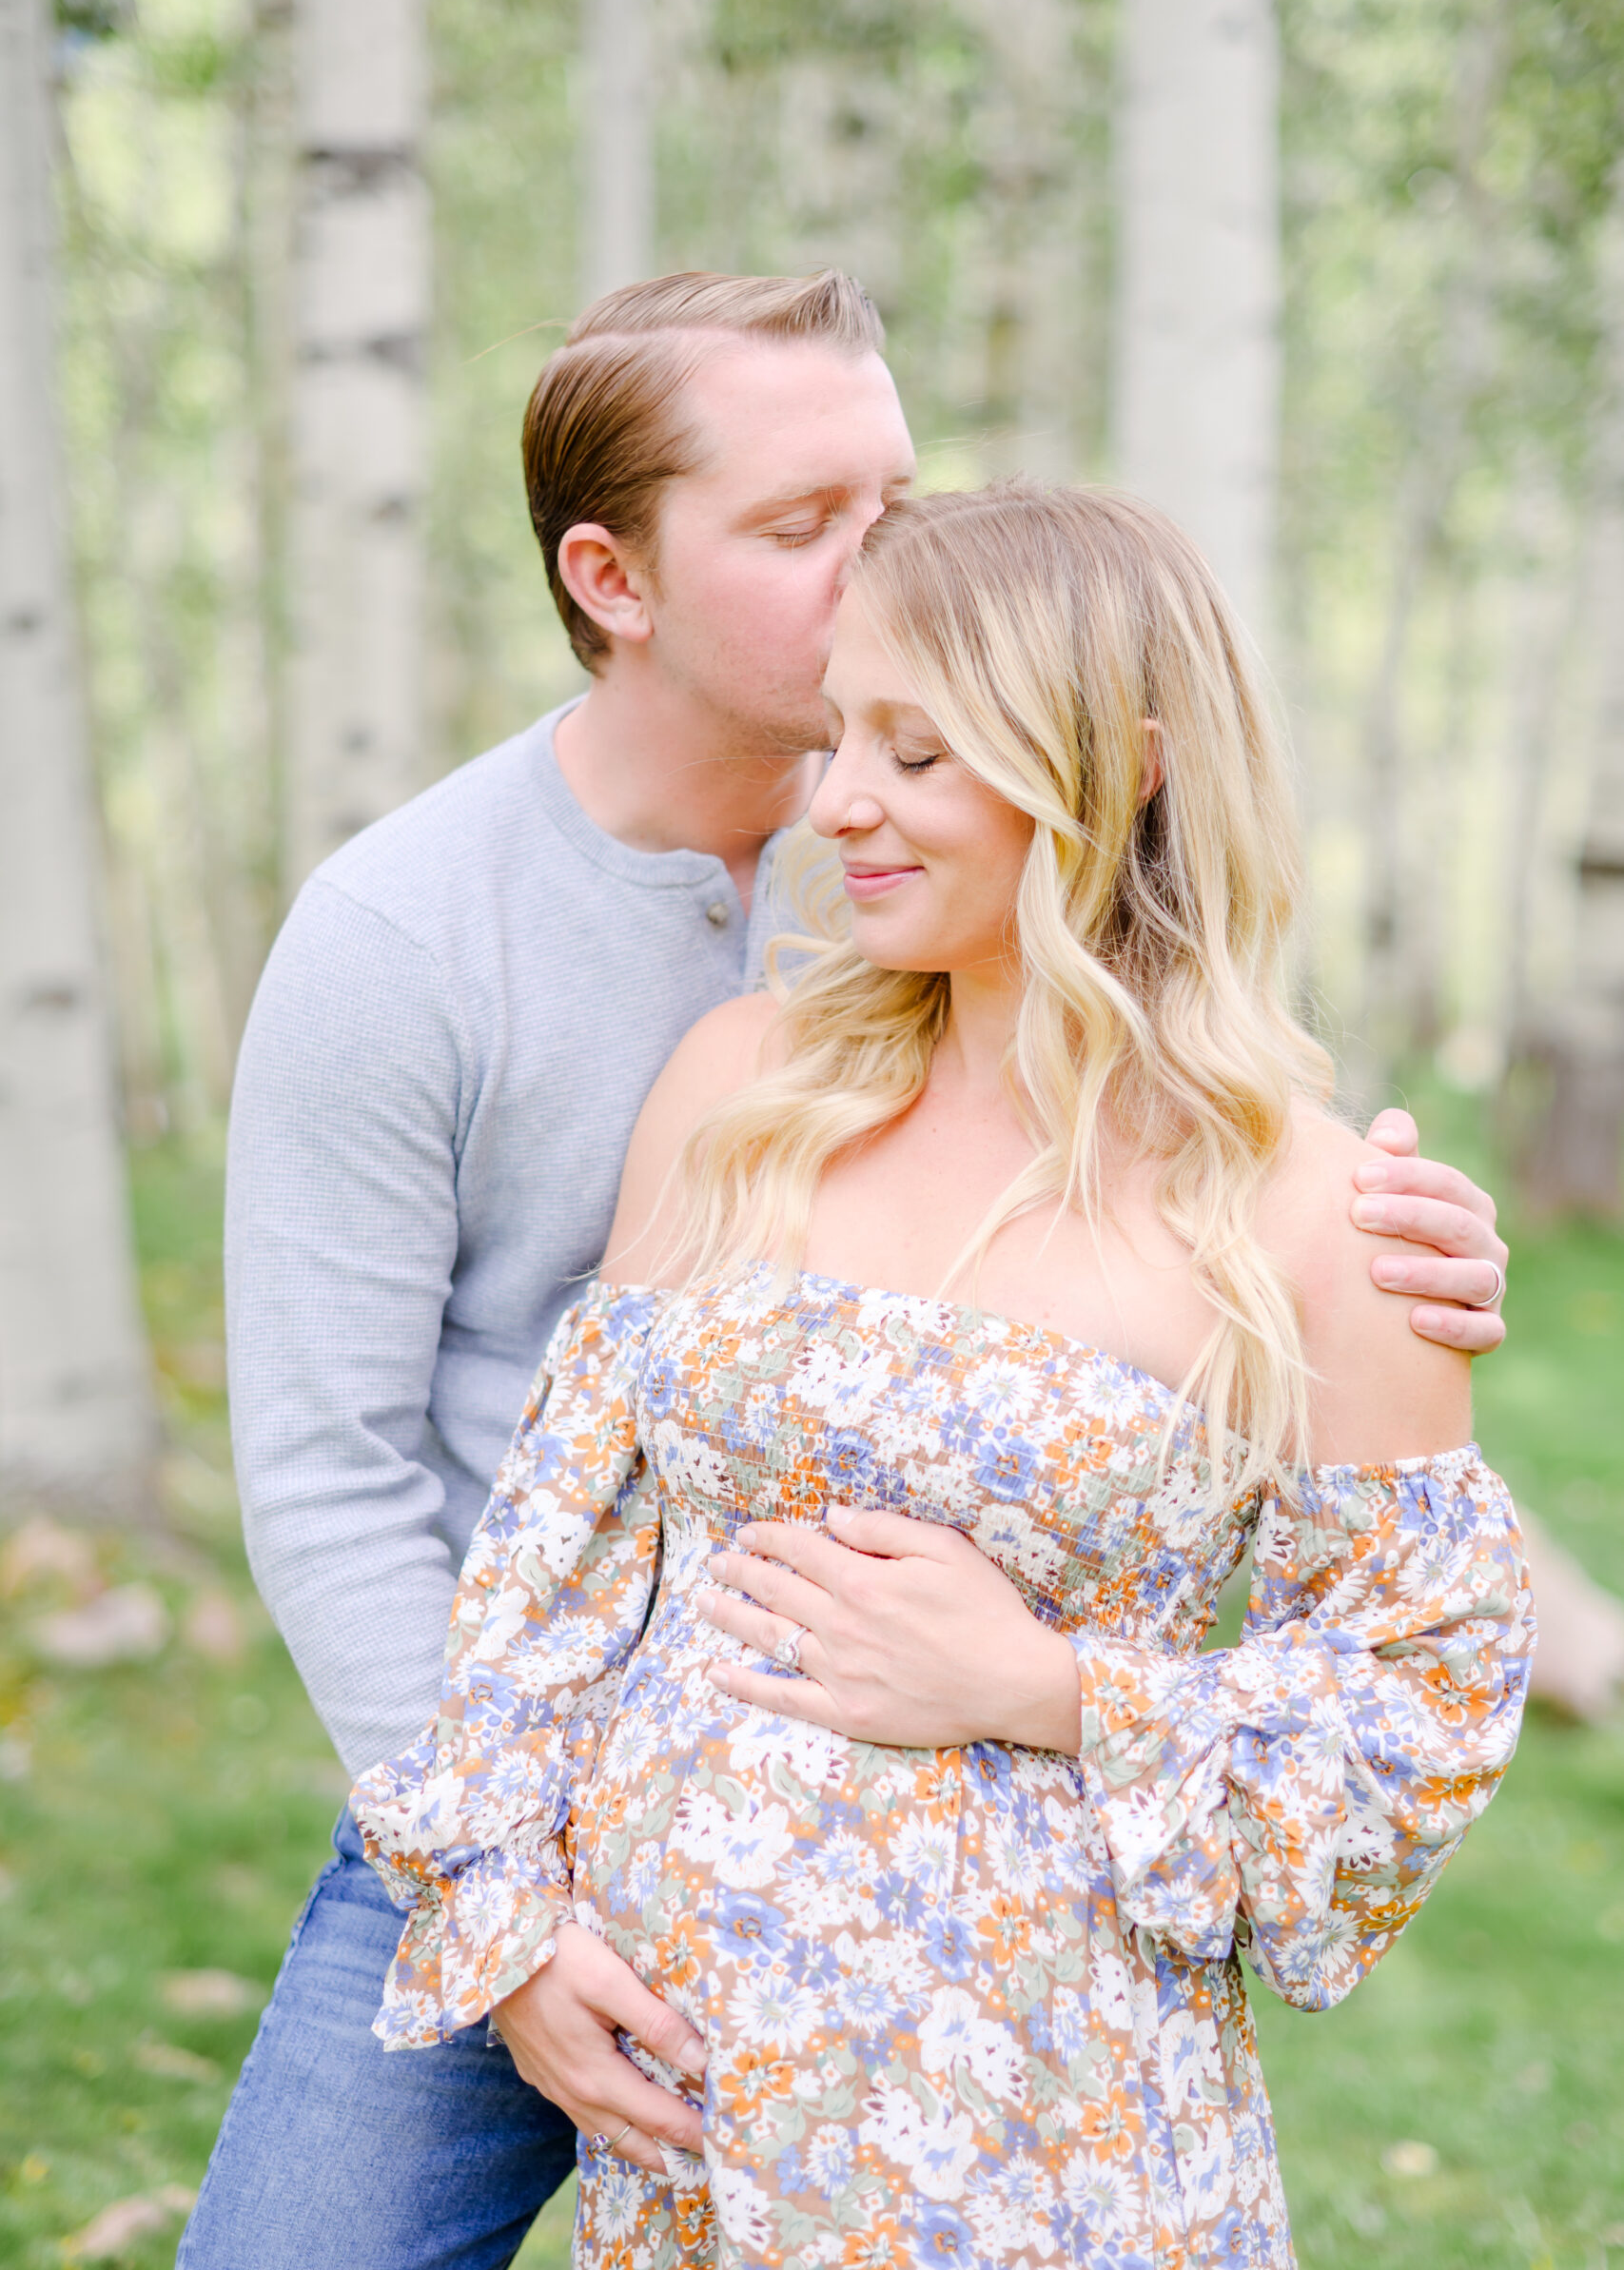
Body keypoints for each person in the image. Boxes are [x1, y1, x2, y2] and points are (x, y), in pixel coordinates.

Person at [185, 275, 1511, 2270]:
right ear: (612, 577)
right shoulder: (423, 939)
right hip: (498, 1784)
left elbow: (1175, 1122)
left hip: (1014, 2031)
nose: (874, 566)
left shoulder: (987, 930)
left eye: (891, 510)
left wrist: (1055, 1677)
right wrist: (503, 1883)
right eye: (803, 528)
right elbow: (349, 1474)